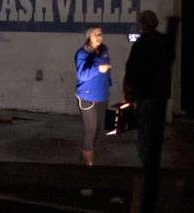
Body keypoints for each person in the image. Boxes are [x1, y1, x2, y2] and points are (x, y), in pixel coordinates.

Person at [123, 10, 175, 172]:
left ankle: (147, 164)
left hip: (145, 93)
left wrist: (129, 90)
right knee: (156, 129)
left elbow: (132, 70)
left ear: (142, 24)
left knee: (144, 130)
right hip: (161, 94)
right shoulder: (164, 41)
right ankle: (155, 161)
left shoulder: (141, 45)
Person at [74, 26, 113, 165]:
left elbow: (106, 71)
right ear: (88, 37)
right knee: (90, 129)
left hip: (102, 96)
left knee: (99, 128)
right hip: (87, 97)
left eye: (100, 34)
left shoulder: (104, 50)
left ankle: (86, 150)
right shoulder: (82, 53)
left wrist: (108, 83)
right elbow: (82, 75)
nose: (98, 36)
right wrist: (98, 69)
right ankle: (89, 162)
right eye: (95, 34)